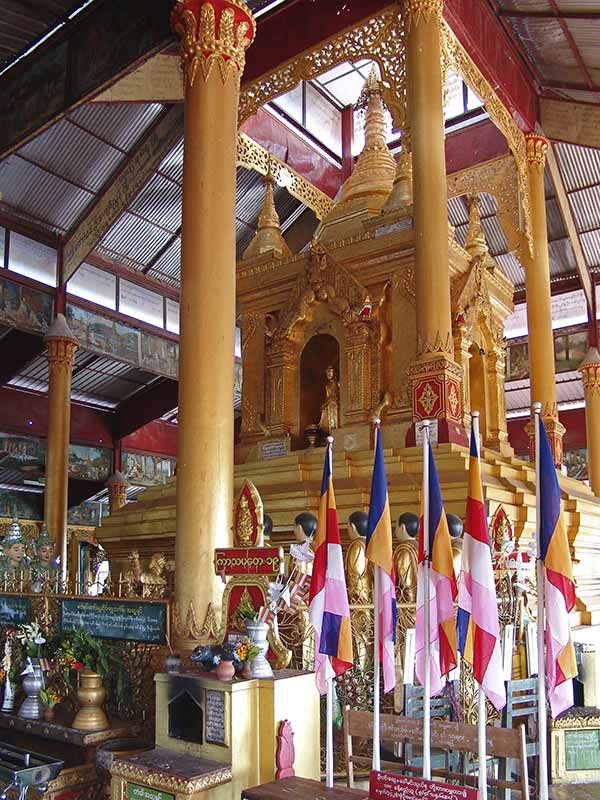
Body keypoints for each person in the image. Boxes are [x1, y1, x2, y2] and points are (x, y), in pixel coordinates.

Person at [345, 511, 372, 604]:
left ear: (353, 527)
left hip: (360, 603)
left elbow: (355, 577)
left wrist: (354, 600)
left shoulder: (358, 546)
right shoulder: (369, 544)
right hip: (370, 600)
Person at [30, 525, 59, 590]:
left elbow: (60, 586)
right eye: (44, 551)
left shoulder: (55, 568)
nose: (47, 554)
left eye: (50, 551)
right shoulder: (32, 567)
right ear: (37, 551)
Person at [318, 366, 340, 432]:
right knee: (324, 410)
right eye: (327, 372)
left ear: (334, 373)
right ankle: (327, 429)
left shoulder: (338, 383)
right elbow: (328, 396)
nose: (329, 374)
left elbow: (336, 395)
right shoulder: (327, 385)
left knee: (332, 406)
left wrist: (332, 400)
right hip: (329, 403)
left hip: (335, 403)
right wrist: (325, 404)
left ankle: (334, 428)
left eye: (330, 372)